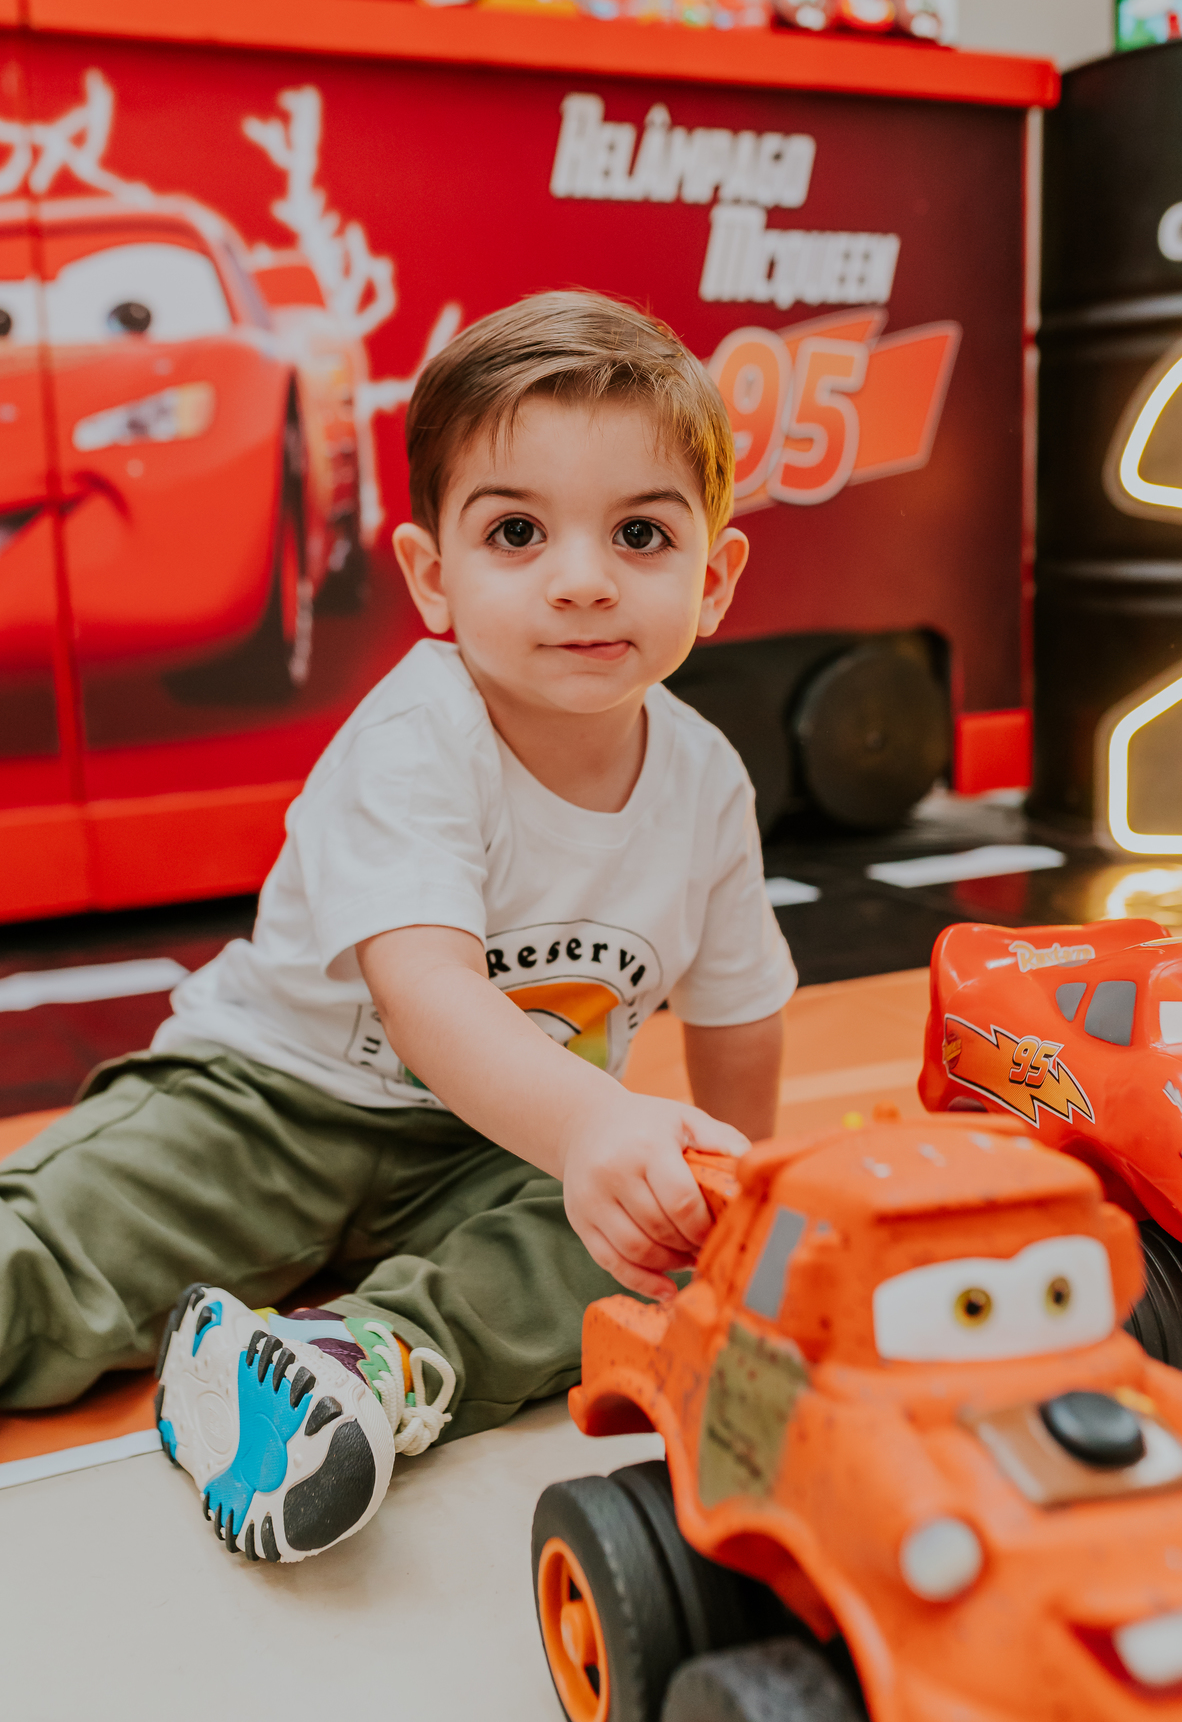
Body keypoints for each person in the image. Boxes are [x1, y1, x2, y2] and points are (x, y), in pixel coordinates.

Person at [0, 291, 797, 1563]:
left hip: (496, 1143)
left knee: (640, 1254)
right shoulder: (418, 740)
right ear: (433, 577)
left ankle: (367, 1357)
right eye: (517, 532)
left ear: (713, 581)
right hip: (268, 1102)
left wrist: (730, 1205)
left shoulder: (705, 780)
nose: (583, 580)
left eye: (641, 534)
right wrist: (594, 1125)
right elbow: (429, 997)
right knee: (70, 1252)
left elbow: (740, 1010)